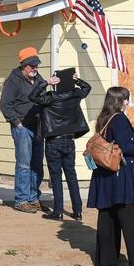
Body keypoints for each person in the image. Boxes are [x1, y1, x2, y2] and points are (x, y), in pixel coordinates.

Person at [87, 86, 134, 266]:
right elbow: (125, 146)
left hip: (104, 174)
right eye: (127, 99)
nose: (129, 103)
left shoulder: (103, 119)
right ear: (122, 101)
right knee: (130, 218)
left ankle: (106, 260)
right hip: (120, 174)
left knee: (107, 216)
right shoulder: (120, 119)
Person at [29, 70, 90, 221]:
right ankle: (77, 211)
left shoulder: (51, 97)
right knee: (71, 175)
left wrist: (46, 83)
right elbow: (87, 89)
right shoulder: (75, 94)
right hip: (69, 141)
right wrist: (78, 80)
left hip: (53, 141)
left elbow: (32, 97)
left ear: (57, 82)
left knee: (56, 177)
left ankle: (58, 211)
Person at [0, 47, 46, 213]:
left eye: (36, 65)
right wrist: (17, 123)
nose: (34, 68)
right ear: (24, 66)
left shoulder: (38, 78)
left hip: (38, 128)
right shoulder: (13, 80)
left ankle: (34, 198)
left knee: (37, 165)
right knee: (24, 165)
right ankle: (21, 200)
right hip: (23, 128)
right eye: (31, 65)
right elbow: (5, 105)